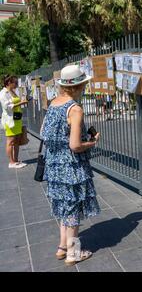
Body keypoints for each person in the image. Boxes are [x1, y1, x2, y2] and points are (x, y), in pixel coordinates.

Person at [40, 64, 101, 266]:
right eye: (83, 85)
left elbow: (46, 133)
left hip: (54, 166)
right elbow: (75, 145)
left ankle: (62, 247)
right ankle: (73, 253)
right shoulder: (75, 109)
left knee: (63, 206)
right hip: (71, 168)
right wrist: (92, 142)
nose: (84, 88)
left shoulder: (53, 104)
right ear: (76, 87)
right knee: (73, 208)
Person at [0, 76, 30, 169]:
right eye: (15, 83)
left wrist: (23, 101)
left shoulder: (12, 91)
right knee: (10, 141)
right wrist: (21, 103)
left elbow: (16, 103)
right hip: (10, 120)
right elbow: (7, 107)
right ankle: (11, 162)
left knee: (16, 139)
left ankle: (16, 160)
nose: (16, 85)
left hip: (17, 118)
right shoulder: (3, 93)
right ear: (9, 82)